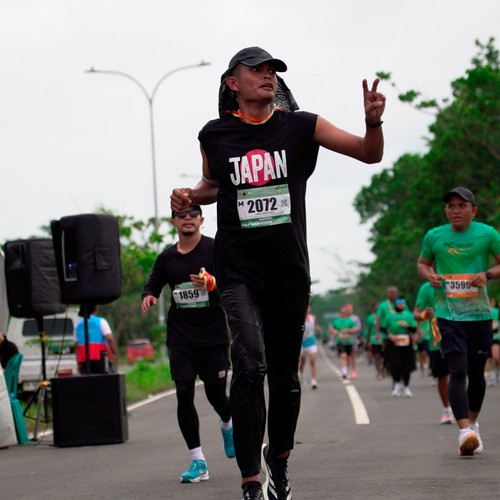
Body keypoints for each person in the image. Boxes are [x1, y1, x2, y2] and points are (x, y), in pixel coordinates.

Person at [170, 46, 385, 500]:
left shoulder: (303, 126)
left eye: (272, 70)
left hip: (288, 272)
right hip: (238, 272)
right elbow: (213, 185)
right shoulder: (214, 135)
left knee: (284, 378)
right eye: (257, 70)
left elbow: (369, 154)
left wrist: (372, 122)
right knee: (249, 364)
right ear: (233, 82)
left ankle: (279, 460)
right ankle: (250, 478)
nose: (267, 75)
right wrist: (188, 194)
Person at [141, 205, 235, 484]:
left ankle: (228, 423)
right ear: (174, 222)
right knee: (184, 393)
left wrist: (212, 283)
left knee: (216, 394)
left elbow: (233, 280)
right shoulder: (166, 258)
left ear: (201, 219)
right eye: (181, 215)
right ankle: (198, 461)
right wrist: (149, 295)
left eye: (193, 213)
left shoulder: (215, 249)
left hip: (213, 336)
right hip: (181, 337)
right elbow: (154, 282)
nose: (188, 218)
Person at [417, 186, 500, 456]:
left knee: (476, 374)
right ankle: (464, 430)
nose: (455, 210)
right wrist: (429, 276)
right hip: (448, 315)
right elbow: (423, 263)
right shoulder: (435, 236)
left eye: (462, 206)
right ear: (446, 211)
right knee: (457, 370)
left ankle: (473, 423)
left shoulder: (487, 234)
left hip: (479, 315)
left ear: (473, 211)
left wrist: (486, 275)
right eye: (451, 206)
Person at [413, 281, 454, 424]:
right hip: (437, 341)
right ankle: (447, 409)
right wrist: (425, 314)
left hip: (459, 336)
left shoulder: (458, 279)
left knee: (460, 374)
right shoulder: (426, 287)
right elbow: (416, 314)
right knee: (442, 377)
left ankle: (461, 409)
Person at [386, 297, 417, 397]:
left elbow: (414, 329)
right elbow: (384, 328)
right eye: (398, 303)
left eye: (402, 303)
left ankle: (406, 387)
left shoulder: (409, 315)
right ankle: (397, 384)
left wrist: (407, 326)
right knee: (396, 364)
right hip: (394, 342)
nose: (400, 305)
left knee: (407, 366)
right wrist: (390, 335)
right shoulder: (390, 316)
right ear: (395, 304)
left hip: (406, 342)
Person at [74, 304, 118, 375]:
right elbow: (109, 338)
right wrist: (114, 353)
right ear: (95, 310)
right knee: (104, 379)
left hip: (84, 361)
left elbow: (76, 345)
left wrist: (78, 363)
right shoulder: (101, 321)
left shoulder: (77, 325)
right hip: (101, 359)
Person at [330, 305, 358, 381]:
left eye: (345, 312)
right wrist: (336, 332)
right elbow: (332, 329)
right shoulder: (336, 321)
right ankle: (344, 373)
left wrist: (347, 330)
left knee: (348, 357)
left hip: (349, 342)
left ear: (346, 313)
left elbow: (354, 330)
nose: (343, 313)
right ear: (340, 313)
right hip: (340, 341)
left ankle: (347, 370)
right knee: (343, 355)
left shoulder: (350, 321)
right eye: (342, 312)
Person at [299, 305, 321, 389]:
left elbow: (316, 326)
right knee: (302, 362)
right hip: (302, 344)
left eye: (309, 307)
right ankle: (301, 374)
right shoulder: (300, 317)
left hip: (312, 343)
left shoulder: (313, 317)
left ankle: (314, 381)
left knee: (312, 361)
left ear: (310, 309)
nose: (307, 309)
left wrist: (318, 329)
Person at [366, 303, 384, 380]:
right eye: (376, 307)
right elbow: (369, 330)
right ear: (373, 308)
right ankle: (378, 372)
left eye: (378, 306)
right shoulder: (370, 318)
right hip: (374, 340)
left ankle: (383, 368)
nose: (377, 308)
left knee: (384, 356)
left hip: (384, 338)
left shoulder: (384, 316)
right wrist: (368, 341)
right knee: (377, 356)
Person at [484, 297, 499, 386]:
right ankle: (490, 376)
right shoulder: (483, 312)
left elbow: (496, 325)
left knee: (496, 356)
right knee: (487, 357)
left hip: (495, 337)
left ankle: (497, 371)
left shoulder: (497, 311)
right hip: (485, 337)